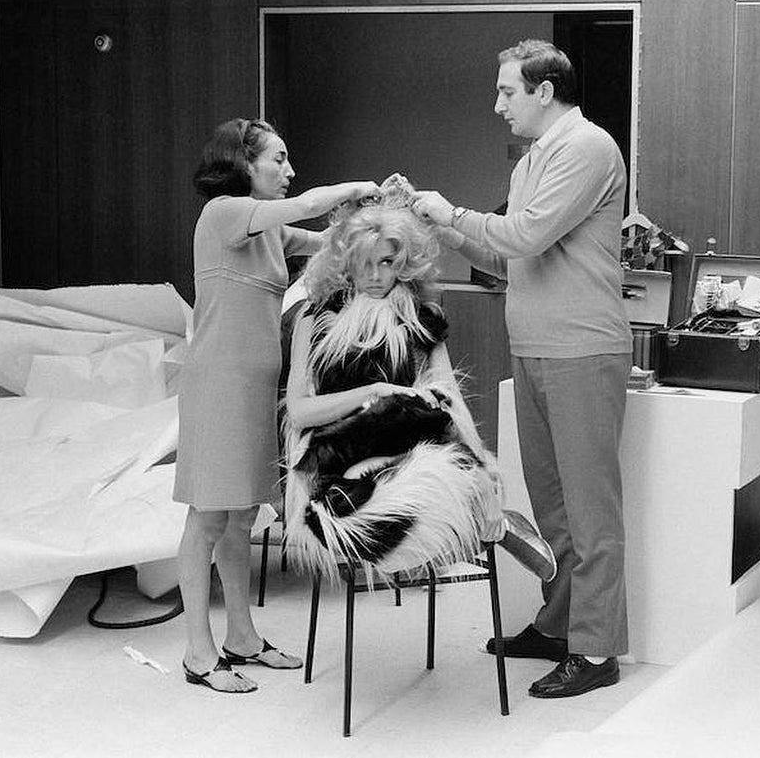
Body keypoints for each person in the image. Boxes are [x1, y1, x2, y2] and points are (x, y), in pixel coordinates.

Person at [411, 38, 632, 699]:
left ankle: (595, 651)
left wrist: (448, 210)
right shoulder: (532, 160)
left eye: (508, 91)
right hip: (536, 347)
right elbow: (512, 257)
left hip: (583, 348)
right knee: (553, 502)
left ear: (544, 90)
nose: (498, 104)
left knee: (590, 509)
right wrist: (440, 226)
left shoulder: (588, 147)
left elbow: (528, 233)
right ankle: (560, 622)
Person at [175, 117, 382, 693]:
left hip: (256, 388)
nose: (290, 173)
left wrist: (382, 215)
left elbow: (334, 247)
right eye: (279, 160)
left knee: (242, 515)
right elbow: (313, 204)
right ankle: (198, 653)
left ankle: (241, 637)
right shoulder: (224, 213)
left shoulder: (268, 231)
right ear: (244, 164)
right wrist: (351, 189)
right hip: (219, 384)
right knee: (208, 517)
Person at [280, 192, 556, 584]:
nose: (375, 276)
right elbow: (300, 412)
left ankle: (481, 505)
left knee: (429, 408)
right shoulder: (317, 316)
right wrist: (374, 392)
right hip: (337, 468)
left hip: (406, 452)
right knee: (402, 406)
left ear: (404, 263)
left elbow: (449, 400)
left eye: (387, 263)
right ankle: (484, 519)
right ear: (346, 263)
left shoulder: (421, 318)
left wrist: (482, 471)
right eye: (365, 264)